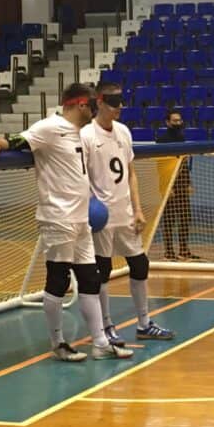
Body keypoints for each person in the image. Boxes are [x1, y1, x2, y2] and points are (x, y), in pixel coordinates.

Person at [0, 83, 133, 362]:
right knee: (58, 278)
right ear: (79, 105)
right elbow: (18, 140)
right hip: (58, 217)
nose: (95, 109)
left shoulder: (79, 133)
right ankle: (59, 343)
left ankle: (100, 342)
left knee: (90, 278)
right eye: (92, 104)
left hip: (81, 218)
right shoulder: (50, 127)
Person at [81, 82, 174, 347]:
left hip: (125, 213)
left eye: (121, 102)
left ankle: (144, 324)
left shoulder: (123, 132)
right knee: (103, 270)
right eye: (113, 103)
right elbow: (81, 175)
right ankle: (107, 325)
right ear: (99, 102)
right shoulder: (87, 135)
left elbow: (130, 173)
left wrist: (138, 208)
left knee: (139, 265)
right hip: (101, 216)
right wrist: (91, 206)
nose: (118, 108)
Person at [155, 108, 197, 261]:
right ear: (167, 122)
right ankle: (169, 252)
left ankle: (184, 250)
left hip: (181, 185)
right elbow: (160, 166)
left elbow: (183, 163)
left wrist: (188, 183)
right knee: (169, 219)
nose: (178, 123)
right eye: (175, 121)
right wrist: (168, 186)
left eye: (180, 120)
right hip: (168, 185)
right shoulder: (162, 140)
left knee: (185, 217)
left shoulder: (182, 138)